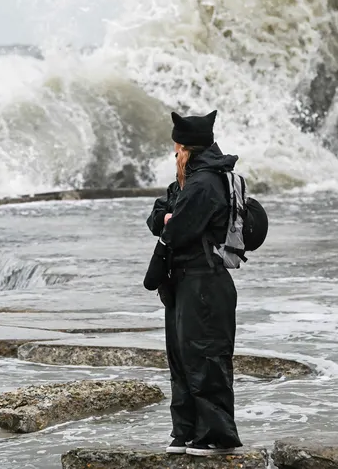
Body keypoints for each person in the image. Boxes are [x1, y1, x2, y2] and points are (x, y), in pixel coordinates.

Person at [143, 109, 243, 457]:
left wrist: (169, 219)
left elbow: (177, 229)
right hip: (186, 282)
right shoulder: (192, 180)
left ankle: (215, 436)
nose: (174, 153)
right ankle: (185, 433)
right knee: (183, 358)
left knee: (205, 358)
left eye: (177, 147)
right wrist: (167, 217)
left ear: (188, 148)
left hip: (205, 281)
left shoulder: (204, 184)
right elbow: (158, 214)